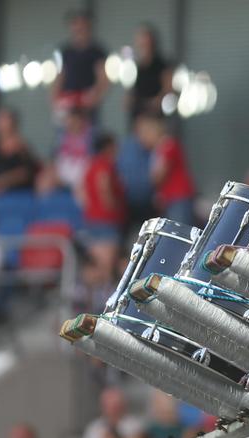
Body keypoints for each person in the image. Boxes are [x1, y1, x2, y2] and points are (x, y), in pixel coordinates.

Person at [82, 133, 127, 286]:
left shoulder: (90, 166)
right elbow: (104, 187)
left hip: (93, 220)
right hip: (106, 221)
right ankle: (104, 298)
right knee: (107, 266)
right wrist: (112, 208)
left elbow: (82, 192)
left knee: (100, 263)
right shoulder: (104, 165)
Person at [135, 114, 195, 225]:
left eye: (144, 133)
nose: (141, 139)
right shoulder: (157, 149)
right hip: (171, 200)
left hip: (178, 199)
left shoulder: (168, 145)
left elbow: (159, 175)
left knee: (178, 234)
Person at [51, 9, 108, 123]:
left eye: (82, 26)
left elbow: (103, 79)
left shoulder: (97, 52)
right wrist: (55, 102)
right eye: (75, 25)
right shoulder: (64, 52)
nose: (79, 29)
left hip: (86, 107)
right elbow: (59, 77)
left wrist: (95, 97)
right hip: (67, 105)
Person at [127, 23, 174, 125]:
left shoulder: (162, 65)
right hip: (137, 119)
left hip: (155, 119)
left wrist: (153, 104)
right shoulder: (135, 67)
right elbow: (130, 95)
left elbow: (168, 90)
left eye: (145, 41)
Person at [0, 108, 39, 193]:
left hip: (17, 193)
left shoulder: (21, 147)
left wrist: (2, 182)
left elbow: (27, 172)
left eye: (3, 119)